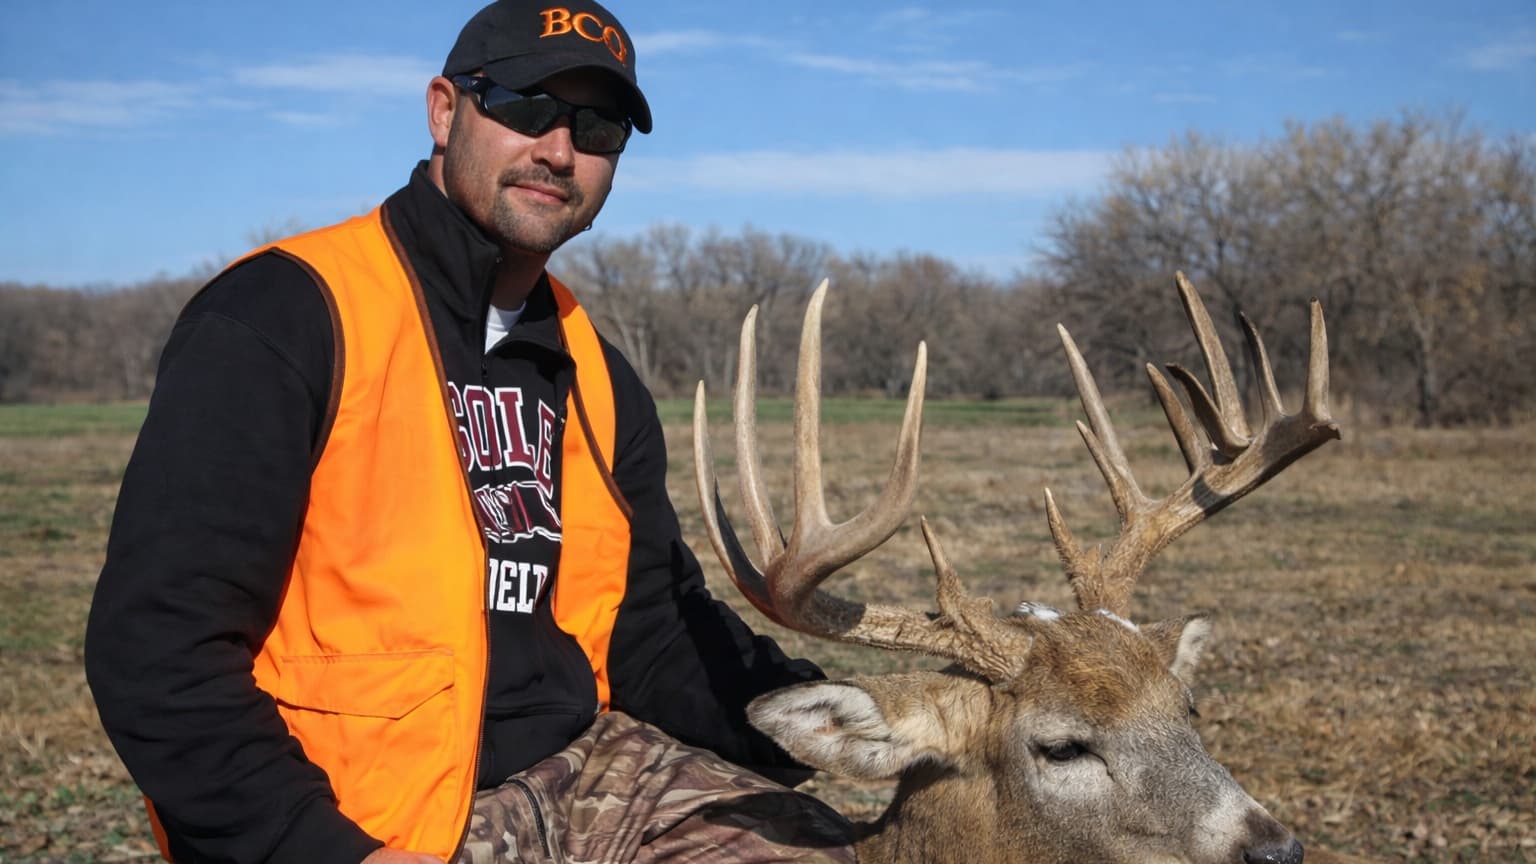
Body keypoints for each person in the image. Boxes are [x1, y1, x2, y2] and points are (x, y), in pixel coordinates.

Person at [83, 2, 856, 862]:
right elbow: (157, 649)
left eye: (597, 128)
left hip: (572, 773)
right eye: (527, 105)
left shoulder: (594, 371)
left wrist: (842, 722)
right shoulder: (284, 317)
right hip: (358, 815)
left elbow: (651, 627)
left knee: (817, 849)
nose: (559, 151)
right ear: (445, 111)